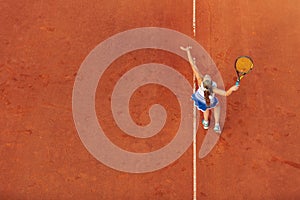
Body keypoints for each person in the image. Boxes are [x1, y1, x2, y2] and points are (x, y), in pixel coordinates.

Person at [180, 46, 239, 134]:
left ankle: (206, 123)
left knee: (206, 109)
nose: (207, 76)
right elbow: (226, 93)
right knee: (217, 105)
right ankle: (216, 125)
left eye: (206, 78)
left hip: (201, 100)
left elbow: (193, 65)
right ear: (211, 83)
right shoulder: (213, 89)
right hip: (208, 101)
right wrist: (232, 88)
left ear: (203, 82)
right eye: (207, 78)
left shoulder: (200, 81)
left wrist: (188, 51)